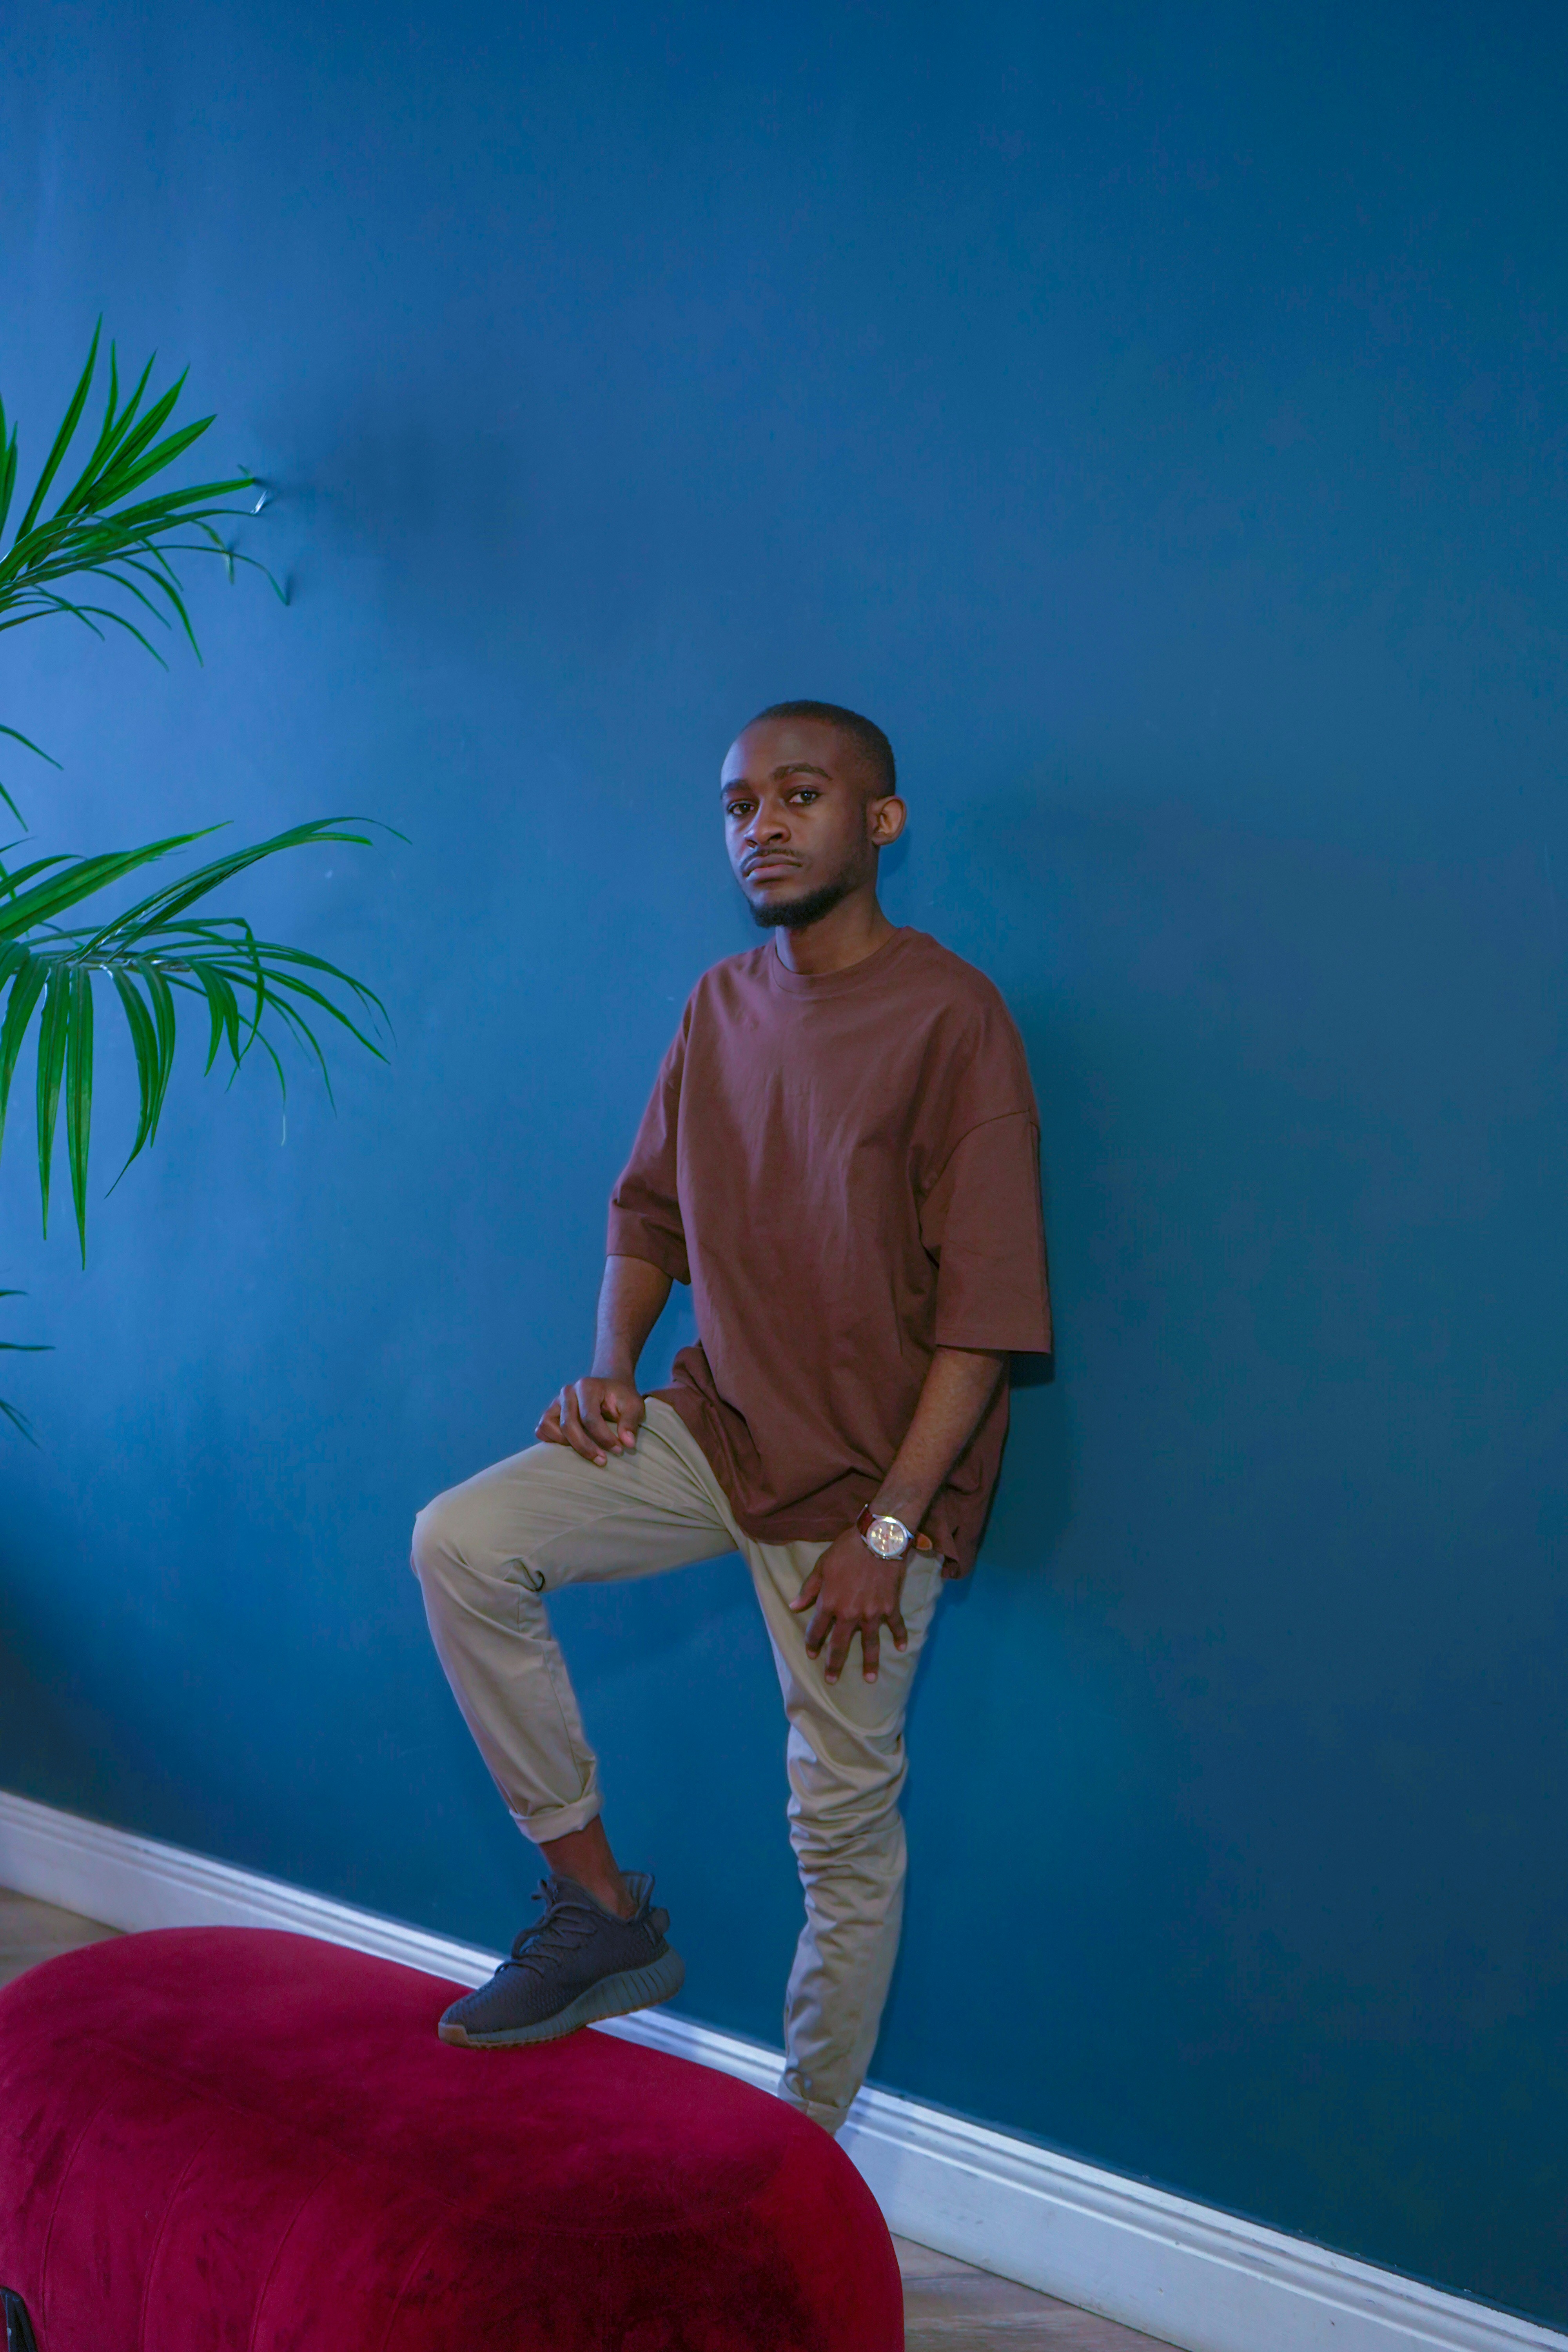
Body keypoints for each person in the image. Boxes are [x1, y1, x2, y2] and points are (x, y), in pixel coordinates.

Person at [412, 700, 1052, 2134]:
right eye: (739, 804)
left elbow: (988, 1323)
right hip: (717, 1430)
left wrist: (889, 1528)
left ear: (878, 823)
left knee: (839, 1829)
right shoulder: (719, 1003)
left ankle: (799, 2150)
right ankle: (601, 1919)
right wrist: (613, 1366)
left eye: (800, 796)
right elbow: (646, 1214)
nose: (761, 824)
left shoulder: (956, 1018)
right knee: (463, 1543)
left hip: (872, 1495)